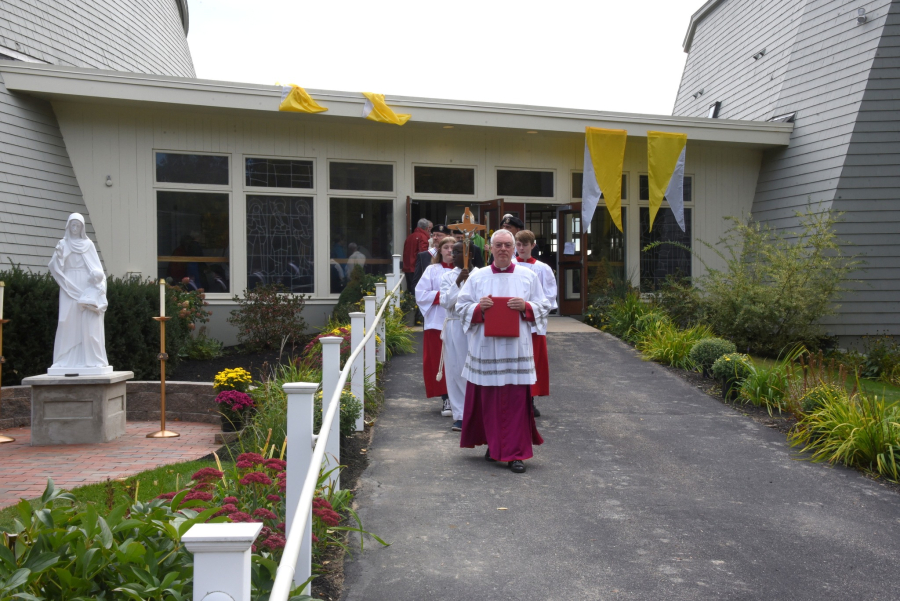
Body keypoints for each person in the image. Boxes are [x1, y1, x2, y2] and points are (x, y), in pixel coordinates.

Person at [457, 229, 550, 474]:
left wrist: (526, 306)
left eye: (508, 245)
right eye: (498, 245)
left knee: (516, 401)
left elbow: (544, 304)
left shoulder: (528, 276)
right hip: (486, 350)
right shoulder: (478, 277)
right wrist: (479, 308)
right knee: (488, 400)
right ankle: (494, 443)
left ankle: (515, 454)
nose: (503, 249)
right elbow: (461, 306)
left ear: (513, 247)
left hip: (516, 349)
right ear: (490, 248)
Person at [48, 213, 110, 373]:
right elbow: (55, 267)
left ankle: (90, 359)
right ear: (68, 226)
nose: (75, 229)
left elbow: (97, 270)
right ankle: (63, 359)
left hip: (85, 284)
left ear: (82, 228)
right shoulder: (63, 243)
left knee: (87, 322)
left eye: (78, 226)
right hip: (68, 284)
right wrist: (60, 256)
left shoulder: (87, 244)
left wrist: (99, 288)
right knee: (66, 320)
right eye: (72, 225)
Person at [514, 230, 558, 417]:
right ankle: (515, 400)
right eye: (518, 244)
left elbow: (549, 298)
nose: (521, 248)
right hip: (512, 323)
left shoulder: (542, 269)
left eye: (525, 244)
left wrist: (528, 308)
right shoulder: (509, 266)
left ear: (533, 246)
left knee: (533, 362)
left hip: (533, 324)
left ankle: (530, 400)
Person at [439, 241, 479, 431]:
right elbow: (445, 302)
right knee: (455, 370)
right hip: (454, 325)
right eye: (452, 251)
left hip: (475, 325)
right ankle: (461, 415)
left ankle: (477, 412)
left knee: (473, 369)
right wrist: (457, 283)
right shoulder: (448, 276)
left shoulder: (481, 273)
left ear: (469, 254)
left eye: (457, 252)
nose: (452, 255)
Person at [416, 237, 456, 416]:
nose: (449, 250)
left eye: (453, 247)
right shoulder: (432, 270)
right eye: (446, 247)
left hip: (458, 322)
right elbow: (421, 293)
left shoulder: (463, 271)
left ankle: (460, 397)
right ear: (439, 251)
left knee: (457, 359)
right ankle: (446, 397)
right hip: (436, 322)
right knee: (439, 361)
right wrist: (444, 297)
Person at [403, 218, 431, 291]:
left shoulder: (409, 237)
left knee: (410, 290)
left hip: (407, 267)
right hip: (416, 268)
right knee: (418, 290)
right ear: (427, 228)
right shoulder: (423, 237)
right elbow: (423, 255)